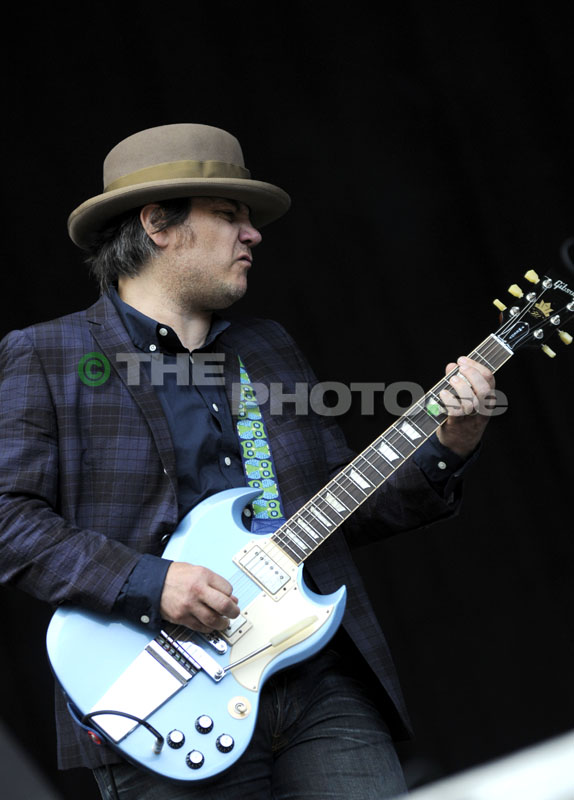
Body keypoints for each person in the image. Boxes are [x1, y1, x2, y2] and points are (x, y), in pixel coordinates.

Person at [0, 123, 495, 800]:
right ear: (157, 224)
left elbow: (344, 507)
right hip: (162, 692)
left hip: (317, 676)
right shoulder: (48, 356)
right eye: (229, 214)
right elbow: (9, 520)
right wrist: (150, 581)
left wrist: (450, 443)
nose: (253, 234)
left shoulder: (265, 349)